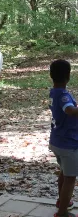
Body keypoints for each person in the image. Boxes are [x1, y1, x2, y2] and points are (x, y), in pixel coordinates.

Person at [49, 59, 78, 217]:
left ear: (51, 76)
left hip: (57, 141)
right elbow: (70, 110)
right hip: (68, 144)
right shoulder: (63, 95)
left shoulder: (53, 92)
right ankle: (62, 213)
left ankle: (62, 201)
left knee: (64, 172)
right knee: (70, 178)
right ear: (68, 76)